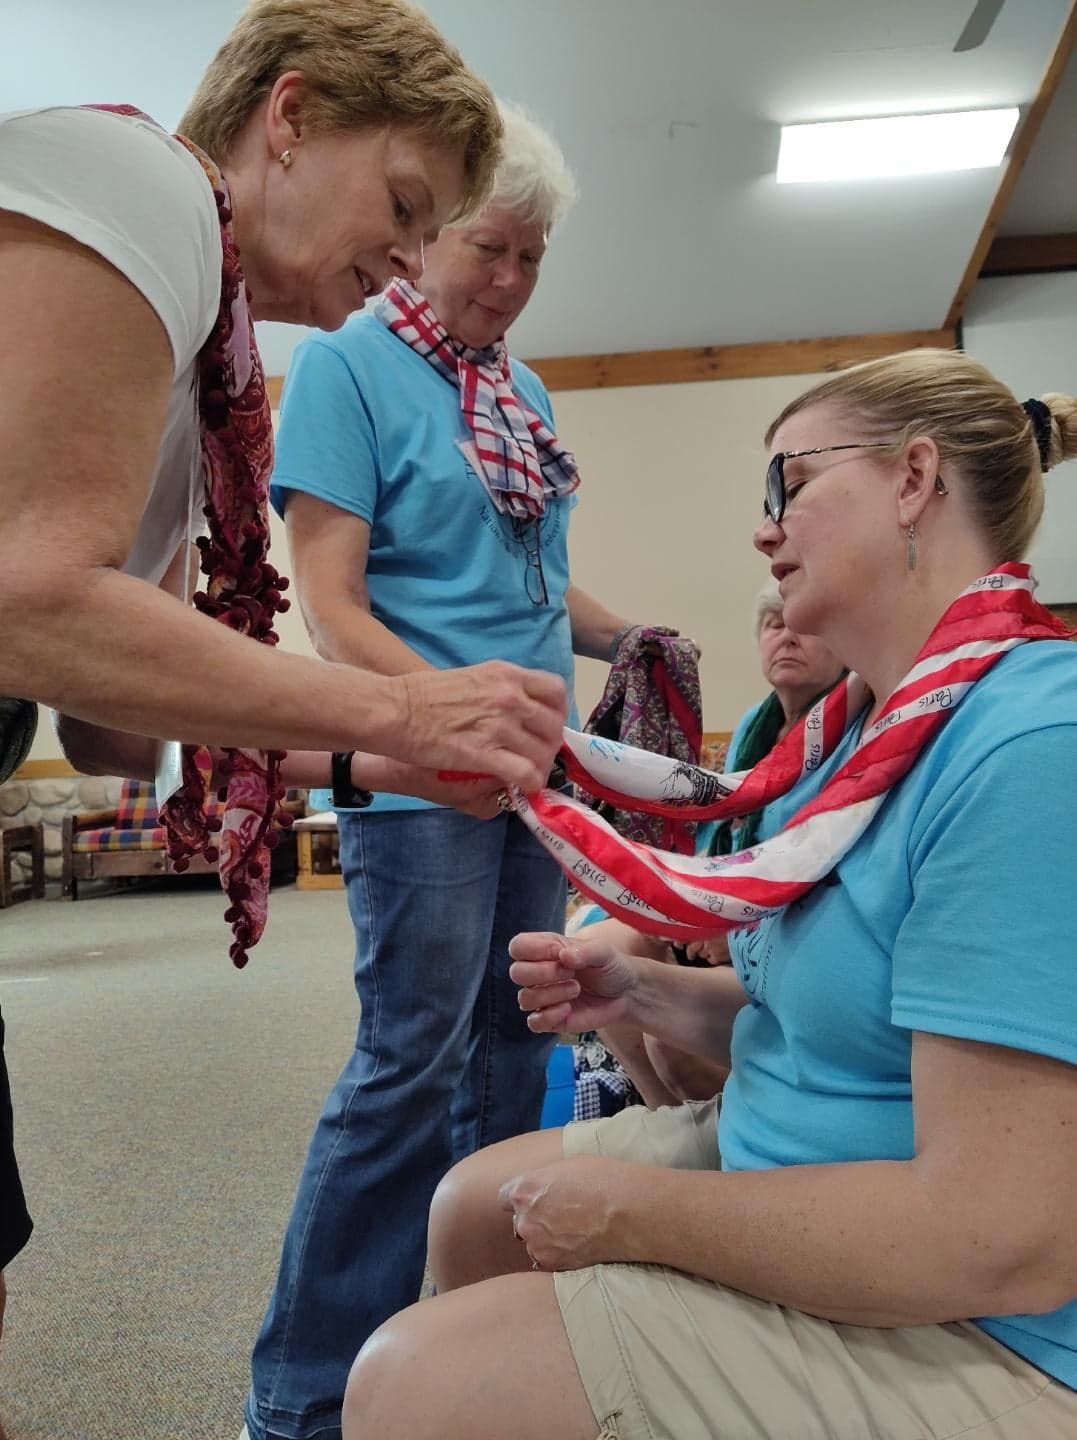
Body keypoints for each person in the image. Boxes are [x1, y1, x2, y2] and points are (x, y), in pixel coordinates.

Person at [340, 349, 1077, 1440]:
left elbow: (1002, 1237)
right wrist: (646, 997)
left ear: (915, 479)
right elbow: (844, 1039)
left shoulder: (1027, 748)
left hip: (982, 1324)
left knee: (410, 1382)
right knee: (468, 1208)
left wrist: (643, 1215)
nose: (763, 529)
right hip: (814, 1153)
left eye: (788, 484)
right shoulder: (847, 737)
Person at [0, 0, 568, 1393]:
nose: (409, 252)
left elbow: (117, 726)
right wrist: (394, 714)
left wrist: (381, 773)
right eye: (405, 200)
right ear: (292, 116)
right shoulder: (138, 182)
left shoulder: (205, 377)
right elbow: (26, 598)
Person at [243, 104, 666, 1440]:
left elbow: (527, 589)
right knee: (408, 1060)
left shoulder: (519, 394)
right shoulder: (348, 373)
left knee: (510, 1043)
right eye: (491, 246)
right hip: (427, 769)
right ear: (424, 237)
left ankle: (470, 1333)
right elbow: (333, 605)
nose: (508, 279)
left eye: (533, 258)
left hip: (528, 764)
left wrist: (627, 634)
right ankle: (303, 1398)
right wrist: (439, 720)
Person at [574, 581, 844, 1109]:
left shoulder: (844, 734)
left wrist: (733, 926)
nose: (786, 637)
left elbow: (822, 870)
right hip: (728, 910)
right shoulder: (753, 725)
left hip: (785, 932)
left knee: (666, 1039)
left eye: (803, 628)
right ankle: (661, 1118)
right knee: (592, 956)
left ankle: (725, 1135)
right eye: (774, 625)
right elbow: (719, 841)